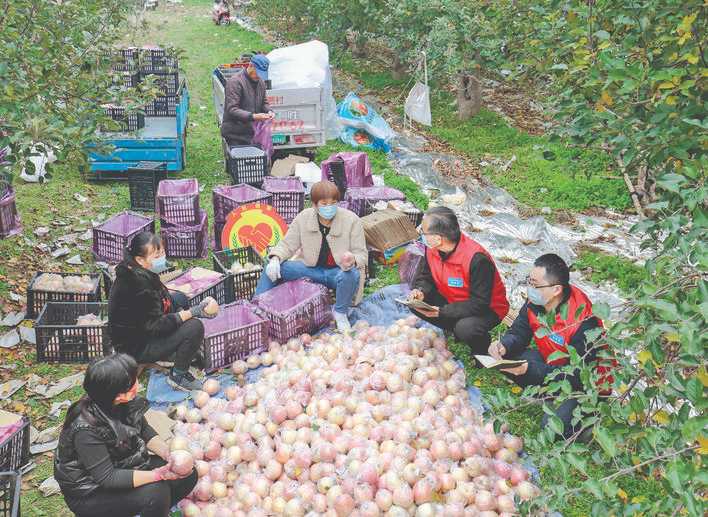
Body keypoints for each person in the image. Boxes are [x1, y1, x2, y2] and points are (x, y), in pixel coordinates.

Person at [54, 354, 198, 517]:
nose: (137, 382)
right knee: (156, 492)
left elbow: (143, 429)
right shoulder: (85, 429)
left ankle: (153, 510)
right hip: (90, 492)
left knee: (187, 474)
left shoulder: (122, 401)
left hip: (121, 464)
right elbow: (108, 477)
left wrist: (168, 453)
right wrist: (158, 475)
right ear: (118, 395)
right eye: (132, 382)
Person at [488, 253, 610, 439]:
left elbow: (579, 374)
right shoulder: (536, 302)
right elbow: (519, 331)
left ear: (556, 290)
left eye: (535, 284)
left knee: (552, 428)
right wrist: (504, 345)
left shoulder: (584, 322)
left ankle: (588, 419)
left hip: (585, 385)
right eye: (529, 281)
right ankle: (550, 396)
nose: (530, 288)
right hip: (553, 365)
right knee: (507, 357)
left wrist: (532, 370)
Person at [108, 232, 215, 391]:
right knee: (194, 327)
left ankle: (178, 350)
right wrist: (193, 312)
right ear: (140, 259)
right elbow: (156, 325)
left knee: (179, 298)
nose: (162, 258)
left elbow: (158, 302)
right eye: (157, 255)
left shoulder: (135, 271)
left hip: (144, 329)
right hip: (136, 346)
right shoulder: (137, 285)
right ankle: (178, 376)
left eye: (162, 252)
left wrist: (180, 310)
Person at [254, 180, 367, 331]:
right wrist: (276, 258)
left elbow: (362, 254)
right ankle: (256, 309)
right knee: (274, 267)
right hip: (311, 270)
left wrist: (352, 259)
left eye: (333, 203)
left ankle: (340, 313)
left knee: (351, 274)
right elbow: (287, 244)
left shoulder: (352, 220)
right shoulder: (303, 218)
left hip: (337, 272)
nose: (330, 208)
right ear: (314, 205)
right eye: (324, 204)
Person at [408, 206, 510, 354]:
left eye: (423, 231)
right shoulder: (433, 249)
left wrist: (443, 312)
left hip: (487, 308)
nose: (420, 233)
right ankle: (453, 326)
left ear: (438, 238)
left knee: (465, 329)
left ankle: (482, 348)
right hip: (453, 299)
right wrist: (421, 292)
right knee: (416, 304)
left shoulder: (476, 259)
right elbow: (425, 277)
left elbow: (480, 303)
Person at [220, 54, 274, 147]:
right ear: (251, 66)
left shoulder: (260, 82)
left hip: (251, 133)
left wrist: (269, 111)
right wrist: (253, 116)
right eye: (258, 72)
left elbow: (264, 102)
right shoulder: (235, 82)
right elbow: (232, 109)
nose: (259, 76)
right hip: (235, 134)